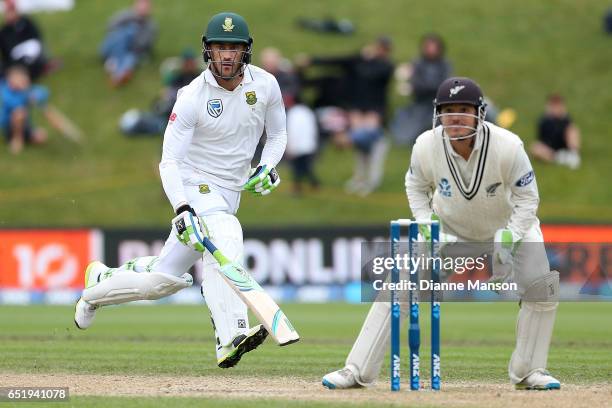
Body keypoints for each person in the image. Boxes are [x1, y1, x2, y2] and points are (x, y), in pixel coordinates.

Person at [75, 12, 287, 369]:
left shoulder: (265, 85)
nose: (226, 56)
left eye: (233, 49)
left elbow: (278, 135)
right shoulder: (192, 96)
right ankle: (230, 335)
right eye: (220, 48)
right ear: (208, 51)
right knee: (226, 235)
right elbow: (169, 161)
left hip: (229, 192)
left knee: (162, 282)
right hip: (195, 184)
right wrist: (183, 208)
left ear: (245, 52)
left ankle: (96, 287)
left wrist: (267, 166)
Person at [322, 77, 561, 391]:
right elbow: (415, 186)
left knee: (542, 287)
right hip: (450, 233)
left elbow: (528, 198)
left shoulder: (508, 146)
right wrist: (426, 225)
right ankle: (356, 370)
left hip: (510, 230)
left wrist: (510, 236)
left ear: (480, 113)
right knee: (400, 286)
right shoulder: (425, 145)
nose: (456, 117)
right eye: (449, 110)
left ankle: (529, 371)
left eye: (464, 109)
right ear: (438, 113)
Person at [391, 34, 452, 145]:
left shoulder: (445, 64)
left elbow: (444, 85)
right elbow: (416, 84)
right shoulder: (417, 63)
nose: (431, 50)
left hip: (438, 105)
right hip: (420, 105)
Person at [99, 0, 157, 87]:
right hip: (111, 47)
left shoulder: (151, 26)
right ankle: (119, 68)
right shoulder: (126, 15)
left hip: (131, 51)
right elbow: (110, 26)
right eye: (140, 6)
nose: (142, 9)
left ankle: (117, 71)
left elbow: (142, 45)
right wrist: (131, 19)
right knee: (126, 32)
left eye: (145, 7)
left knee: (130, 56)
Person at [0, 0, 56, 80]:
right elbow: (5, 53)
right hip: (14, 63)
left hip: (30, 60)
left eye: (11, 11)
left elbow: (37, 42)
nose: (9, 15)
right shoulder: (4, 31)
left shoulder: (26, 23)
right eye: (7, 12)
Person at [1, 65, 48, 153]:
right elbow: (12, 103)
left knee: (41, 137)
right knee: (19, 113)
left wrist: (35, 96)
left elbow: (44, 92)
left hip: (26, 126)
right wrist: (26, 97)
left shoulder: (27, 91)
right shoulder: (5, 91)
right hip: (10, 127)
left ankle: (28, 136)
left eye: (22, 80)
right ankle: (17, 139)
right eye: (16, 80)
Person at [530, 94, 581, 169]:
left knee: (573, 130)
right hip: (551, 150)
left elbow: (569, 133)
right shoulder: (544, 121)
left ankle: (573, 155)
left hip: (565, 148)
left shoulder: (565, 119)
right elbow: (541, 139)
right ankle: (559, 159)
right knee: (535, 147)